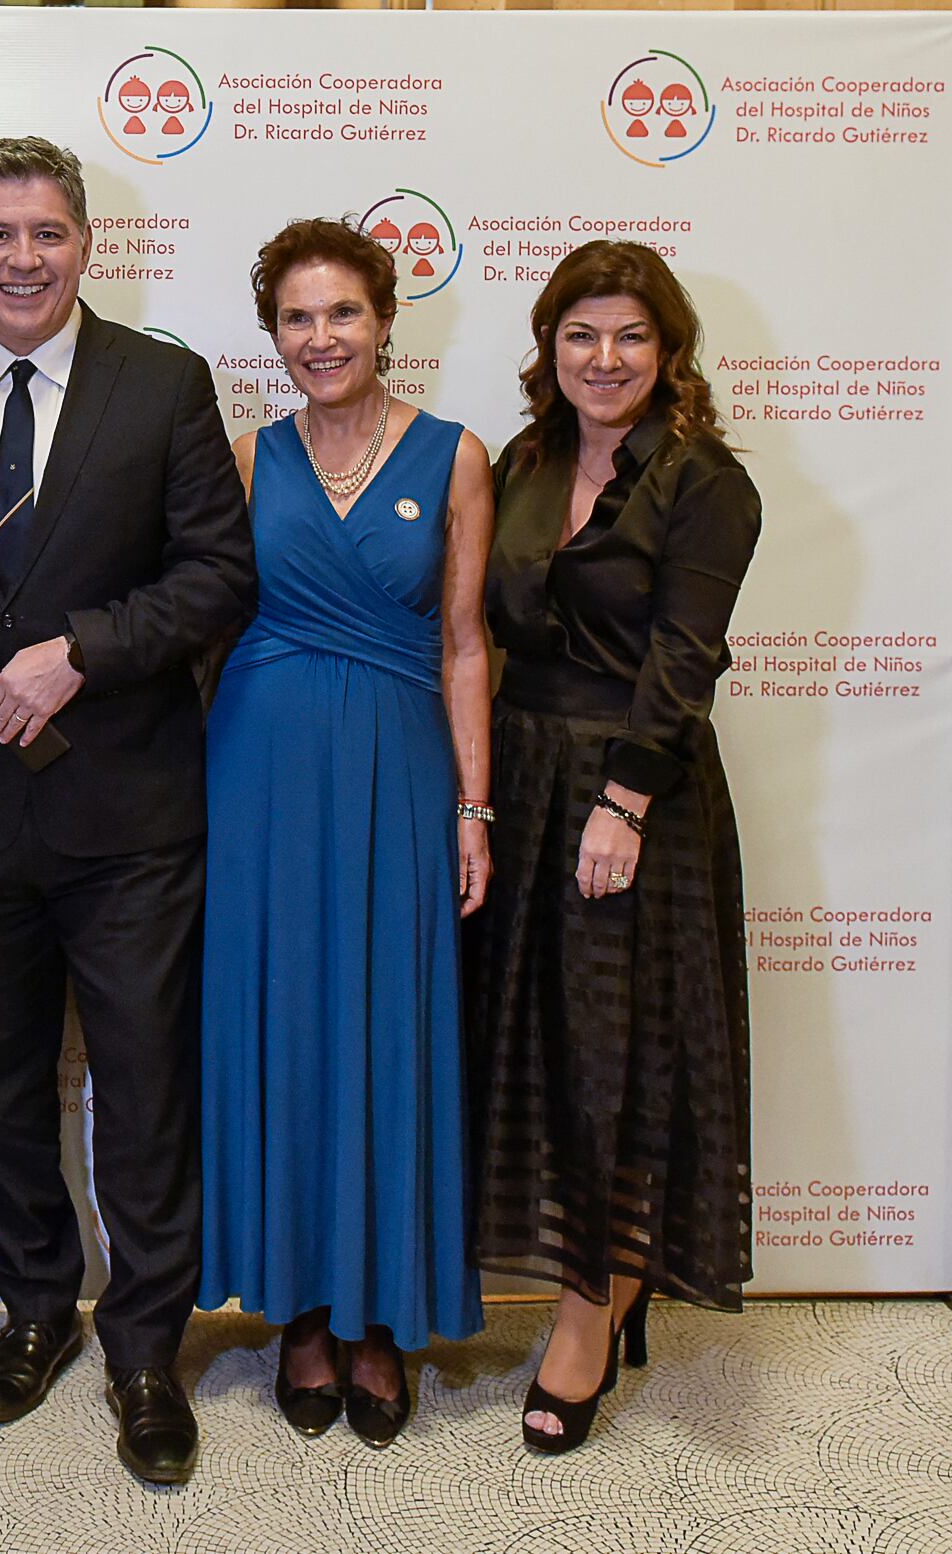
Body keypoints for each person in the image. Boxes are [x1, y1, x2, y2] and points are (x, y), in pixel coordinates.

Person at [0, 137, 256, 1486]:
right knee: (0, 1086)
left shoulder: (164, 382)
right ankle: (36, 1306)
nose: (22, 256)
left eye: (46, 232)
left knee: (146, 1092)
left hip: (134, 816)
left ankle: (146, 1341)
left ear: (85, 242)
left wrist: (80, 648)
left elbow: (217, 574)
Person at [199, 218, 494, 1450]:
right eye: (298, 320)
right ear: (274, 337)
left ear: (387, 321)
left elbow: (466, 643)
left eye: (344, 315)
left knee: (388, 1033)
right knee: (285, 1033)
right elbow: (203, 623)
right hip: (261, 768)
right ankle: (303, 1313)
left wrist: (475, 807)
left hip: (401, 769)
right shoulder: (242, 453)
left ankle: (384, 1321)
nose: (322, 338)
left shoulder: (456, 453)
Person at [467, 240, 761, 1453]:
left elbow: (683, 661)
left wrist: (625, 803)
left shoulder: (706, 482)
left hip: (630, 798)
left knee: (616, 1069)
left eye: (631, 336)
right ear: (550, 345)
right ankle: (580, 1281)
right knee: (532, 1055)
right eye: (582, 333)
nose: (605, 358)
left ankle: (592, 1317)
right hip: (524, 783)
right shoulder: (526, 459)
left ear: (670, 351)